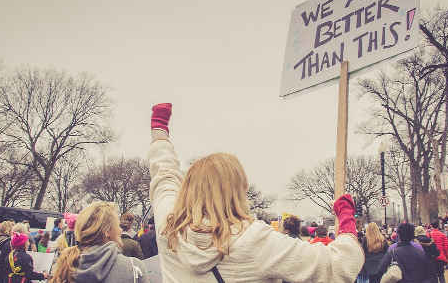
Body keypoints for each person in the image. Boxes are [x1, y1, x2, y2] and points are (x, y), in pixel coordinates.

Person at [148, 103, 363, 282]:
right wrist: (346, 218)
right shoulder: (251, 240)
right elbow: (339, 265)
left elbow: (164, 177)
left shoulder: (168, 228)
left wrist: (160, 135)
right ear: (236, 192)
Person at [51, 201, 149, 283]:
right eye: (117, 225)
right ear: (106, 231)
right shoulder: (134, 268)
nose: (120, 230)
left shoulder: (65, 267)